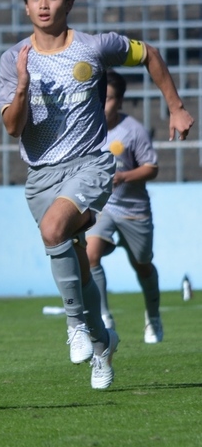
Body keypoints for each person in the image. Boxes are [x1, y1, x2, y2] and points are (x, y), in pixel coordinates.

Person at [0, 0, 193, 390]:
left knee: (54, 230)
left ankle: (75, 326)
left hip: (90, 164)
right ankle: (103, 345)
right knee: (78, 263)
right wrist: (23, 86)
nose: (44, 5)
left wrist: (176, 106)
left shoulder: (94, 46)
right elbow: (13, 126)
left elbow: (150, 55)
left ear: (69, 1)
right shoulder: (14, 59)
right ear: (25, 7)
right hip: (40, 175)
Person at [85, 71, 165, 343]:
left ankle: (153, 317)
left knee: (142, 265)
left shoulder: (133, 131)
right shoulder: (86, 129)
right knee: (90, 254)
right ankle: (103, 316)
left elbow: (151, 168)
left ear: (119, 102)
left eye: (107, 99)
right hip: (103, 208)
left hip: (134, 210)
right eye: (97, 97)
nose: (101, 104)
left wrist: (124, 176)